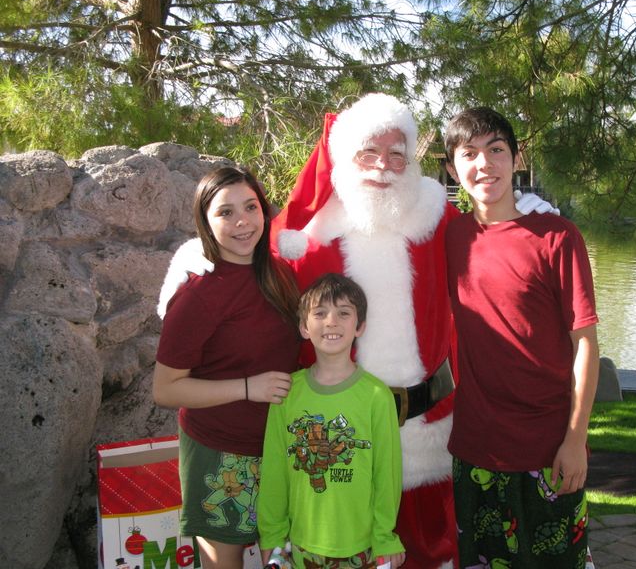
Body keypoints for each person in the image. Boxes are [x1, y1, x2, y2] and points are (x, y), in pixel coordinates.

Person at [158, 93, 557, 568]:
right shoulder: (310, 233)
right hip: (336, 436)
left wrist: (520, 212)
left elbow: (489, 241)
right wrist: (193, 257)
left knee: (432, 549)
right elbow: (247, 248)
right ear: (346, 156)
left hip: (428, 426)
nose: (383, 166)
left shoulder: (437, 217)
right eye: (369, 152)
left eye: (396, 153)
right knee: (337, 547)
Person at [443, 107, 600, 568]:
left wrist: (575, 440)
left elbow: (585, 344)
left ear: (516, 159)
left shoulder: (557, 236)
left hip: (547, 448)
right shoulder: (449, 238)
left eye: (496, 150)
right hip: (475, 448)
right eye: (469, 154)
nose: (484, 164)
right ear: (453, 168)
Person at [153, 166, 301, 569]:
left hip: (279, 448)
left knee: (285, 559)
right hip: (221, 454)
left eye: (251, 207)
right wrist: (247, 387)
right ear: (205, 221)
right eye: (225, 212)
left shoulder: (280, 275)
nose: (242, 221)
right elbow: (165, 389)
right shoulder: (198, 294)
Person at [258, 272, 405, 569]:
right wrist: (272, 536)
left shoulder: (377, 396)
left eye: (343, 313)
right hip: (301, 549)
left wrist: (385, 537)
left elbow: (387, 476)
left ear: (359, 326)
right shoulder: (287, 394)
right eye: (320, 313)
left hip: (362, 548)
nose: (331, 322)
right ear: (303, 326)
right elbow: (274, 471)